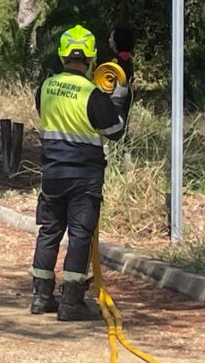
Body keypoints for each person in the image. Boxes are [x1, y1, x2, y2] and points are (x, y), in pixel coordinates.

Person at [30, 25, 130, 321]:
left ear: (62, 55)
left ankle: (40, 296)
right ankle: (71, 302)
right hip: (84, 176)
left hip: (52, 172)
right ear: (91, 58)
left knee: (49, 230)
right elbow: (115, 131)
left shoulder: (45, 87)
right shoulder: (92, 94)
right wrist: (119, 97)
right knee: (79, 235)